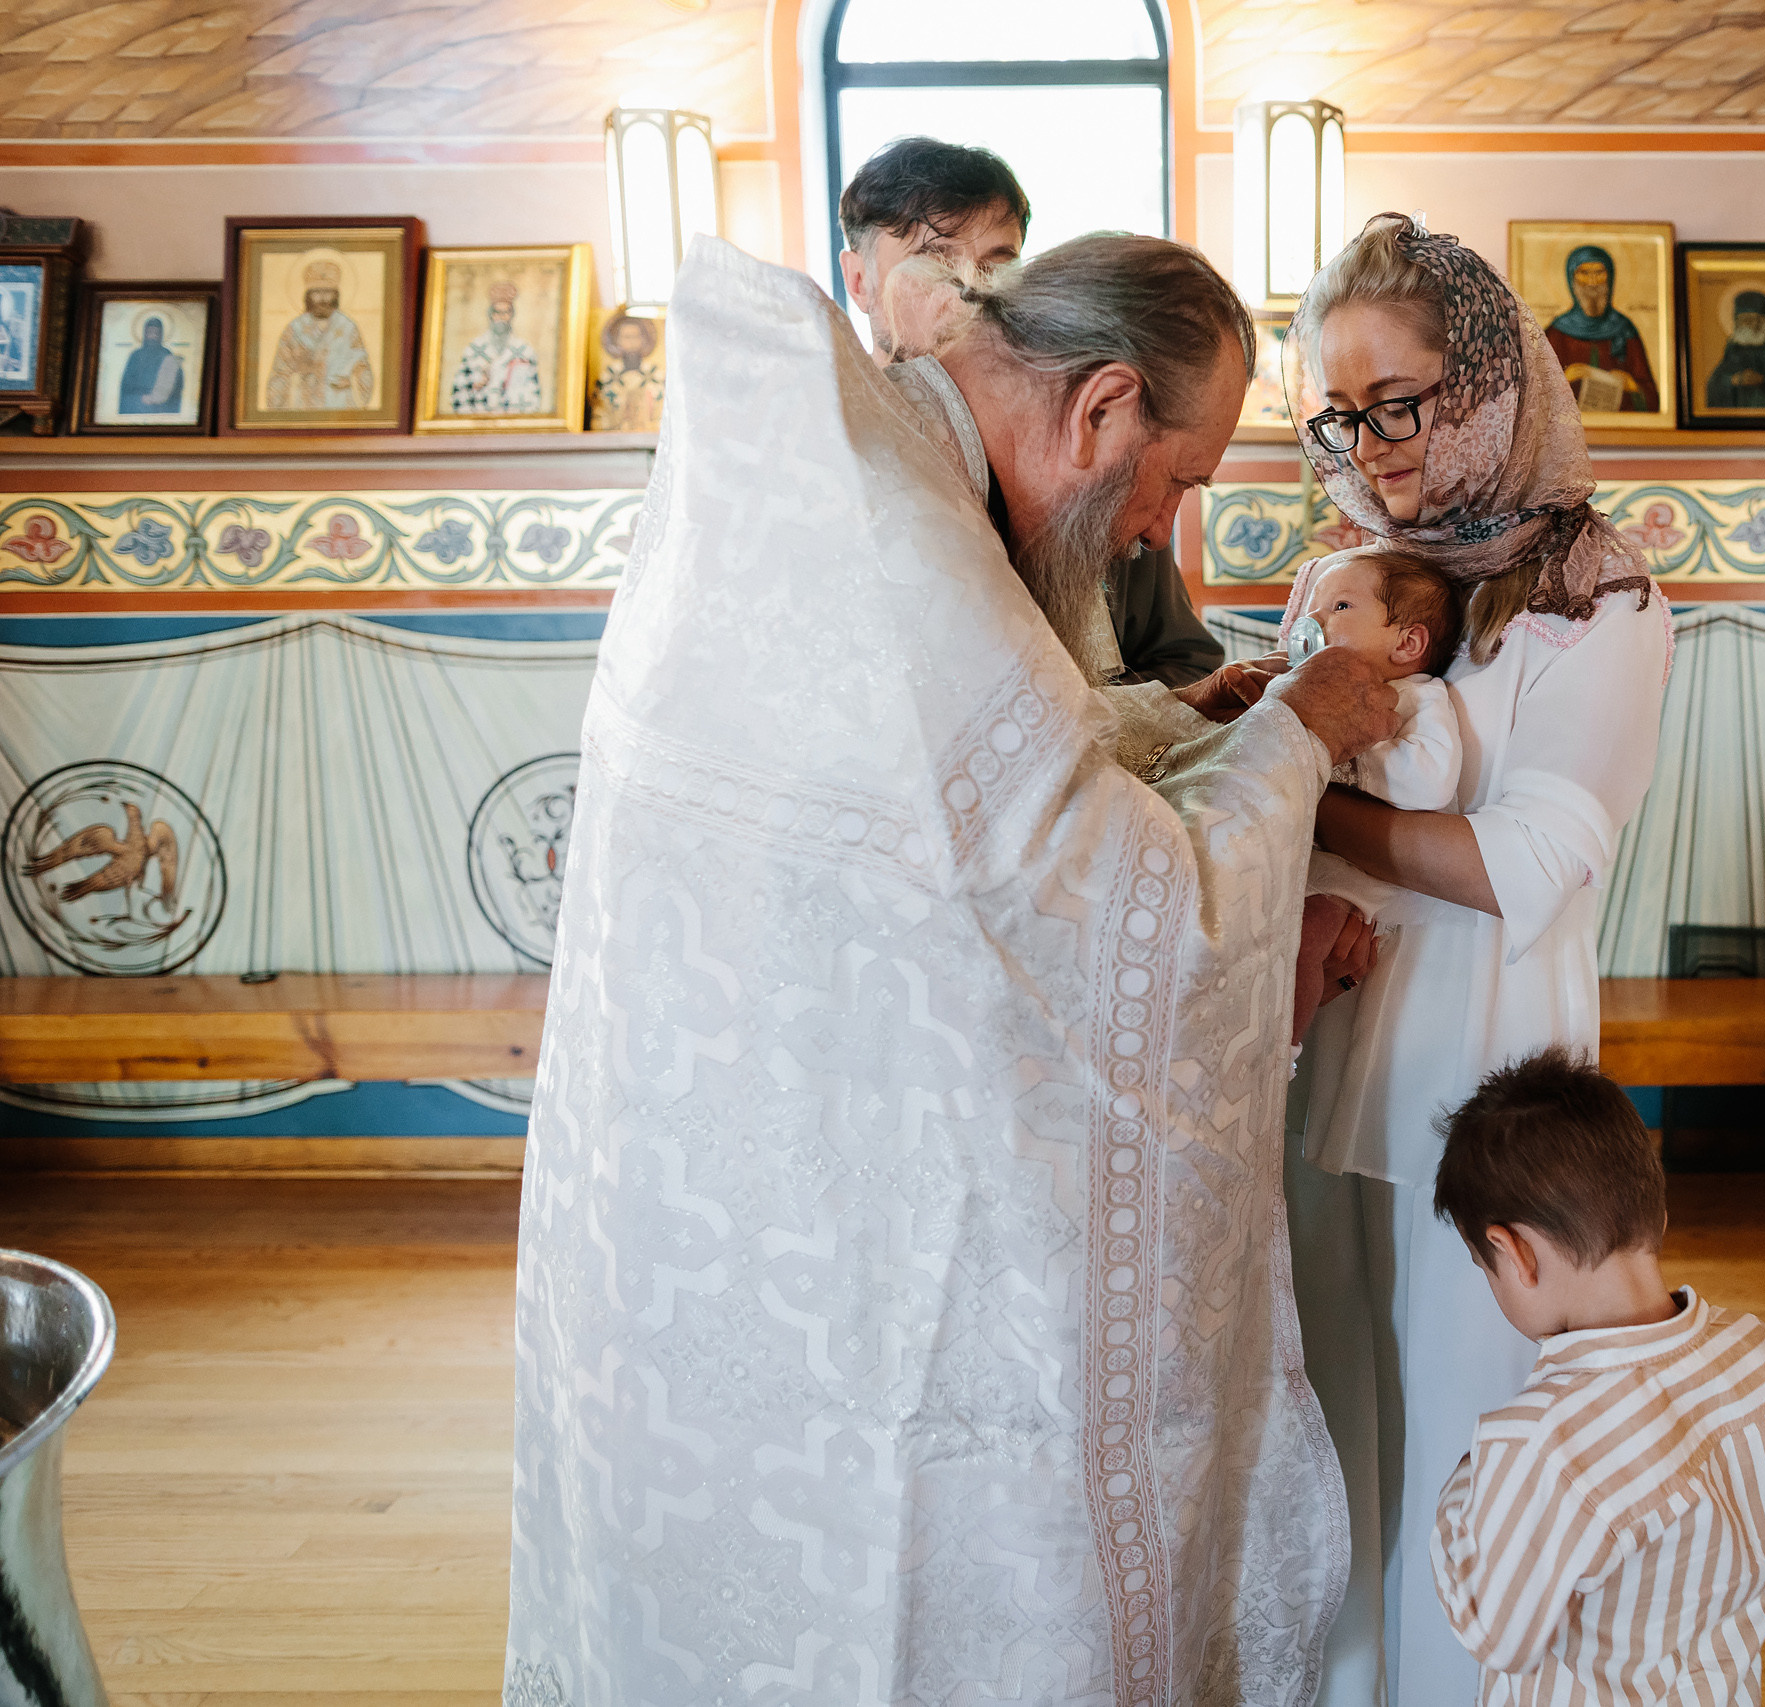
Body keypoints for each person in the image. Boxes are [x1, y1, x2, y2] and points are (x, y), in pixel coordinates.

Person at [503, 232, 1399, 1707]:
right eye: (1177, 483)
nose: (1155, 533)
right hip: (821, 1215)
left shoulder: (880, 467)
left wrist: (1190, 727)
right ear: (1103, 407)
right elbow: (1139, 921)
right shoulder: (905, 534)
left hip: (728, 1195)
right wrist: (1298, 726)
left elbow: (994, 793)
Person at [1281, 212, 1673, 1707]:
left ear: (1494, 383)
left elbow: (1525, 860)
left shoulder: (1600, 598)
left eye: (1400, 403)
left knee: (1462, 1440)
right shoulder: (1349, 577)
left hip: (1481, 1081)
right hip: (1332, 1051)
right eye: (1342, 409)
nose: (1370, 444)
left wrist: (1306, 795)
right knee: (1330, 1437)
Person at [1427, 1049, 1765, 1706]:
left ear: (1515, 1253)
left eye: (1483, 1265)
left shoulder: (1540, 1443)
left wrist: (1470, 1483)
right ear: (1656, 1213)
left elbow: (1492, 1627)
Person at [841, 133, 1225, 689]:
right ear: (860, 281)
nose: (970, 294)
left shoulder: (1098, 466)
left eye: (997, 266)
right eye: (935, 263)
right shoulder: (853, 464)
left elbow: (1186, 660)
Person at [1287, 545, 1465, 1044]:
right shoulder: (1316, 691)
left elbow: (1429, 780)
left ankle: (1280, 1055)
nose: (1314, 619)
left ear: (1407, 644)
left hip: (1358, 873)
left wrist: (1345, 751)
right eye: (1312, 609)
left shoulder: (1418, 697)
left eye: (1340, 608)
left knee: (1309, 932)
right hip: (1311, 857)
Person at [1540, 245, 1657, 414]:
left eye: (1599, 273)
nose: (1592, 282)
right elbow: (1534, 398)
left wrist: (1631, 385)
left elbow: (1654, 400)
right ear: (1571, 278)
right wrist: (1566, 378)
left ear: (1610, 276)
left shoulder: (1625, 330)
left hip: (1620, 430)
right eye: (1584, 273)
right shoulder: (1556, 333)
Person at [266, 257, 372, 411]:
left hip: (340, 405)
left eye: (328, 292)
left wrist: (351, 382)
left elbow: (363, 369)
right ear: (308, 295)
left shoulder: (348, 328)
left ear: (335, 295)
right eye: (317, 292)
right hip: (303, 404)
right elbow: (280, 373)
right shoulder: (294, 329)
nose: (322, 298)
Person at [446, 279, 542, 415]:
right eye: (497, 312)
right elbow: (459, 393)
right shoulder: (474, 350)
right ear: (490, 315)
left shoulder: (524, 351)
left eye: (506, 313)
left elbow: (533, 396)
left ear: (512, 315)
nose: (501, 318)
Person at [117, 316, 184, 414]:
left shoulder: (167, 355)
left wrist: (157, 397)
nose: (153, 336)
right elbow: (126, 385)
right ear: (145, 333)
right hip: (137, 403)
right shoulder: (136, 355)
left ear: (161, 335)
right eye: (150, 332)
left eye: (156, 333)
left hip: (160, 405)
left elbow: (176, 384)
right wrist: (141, 397)